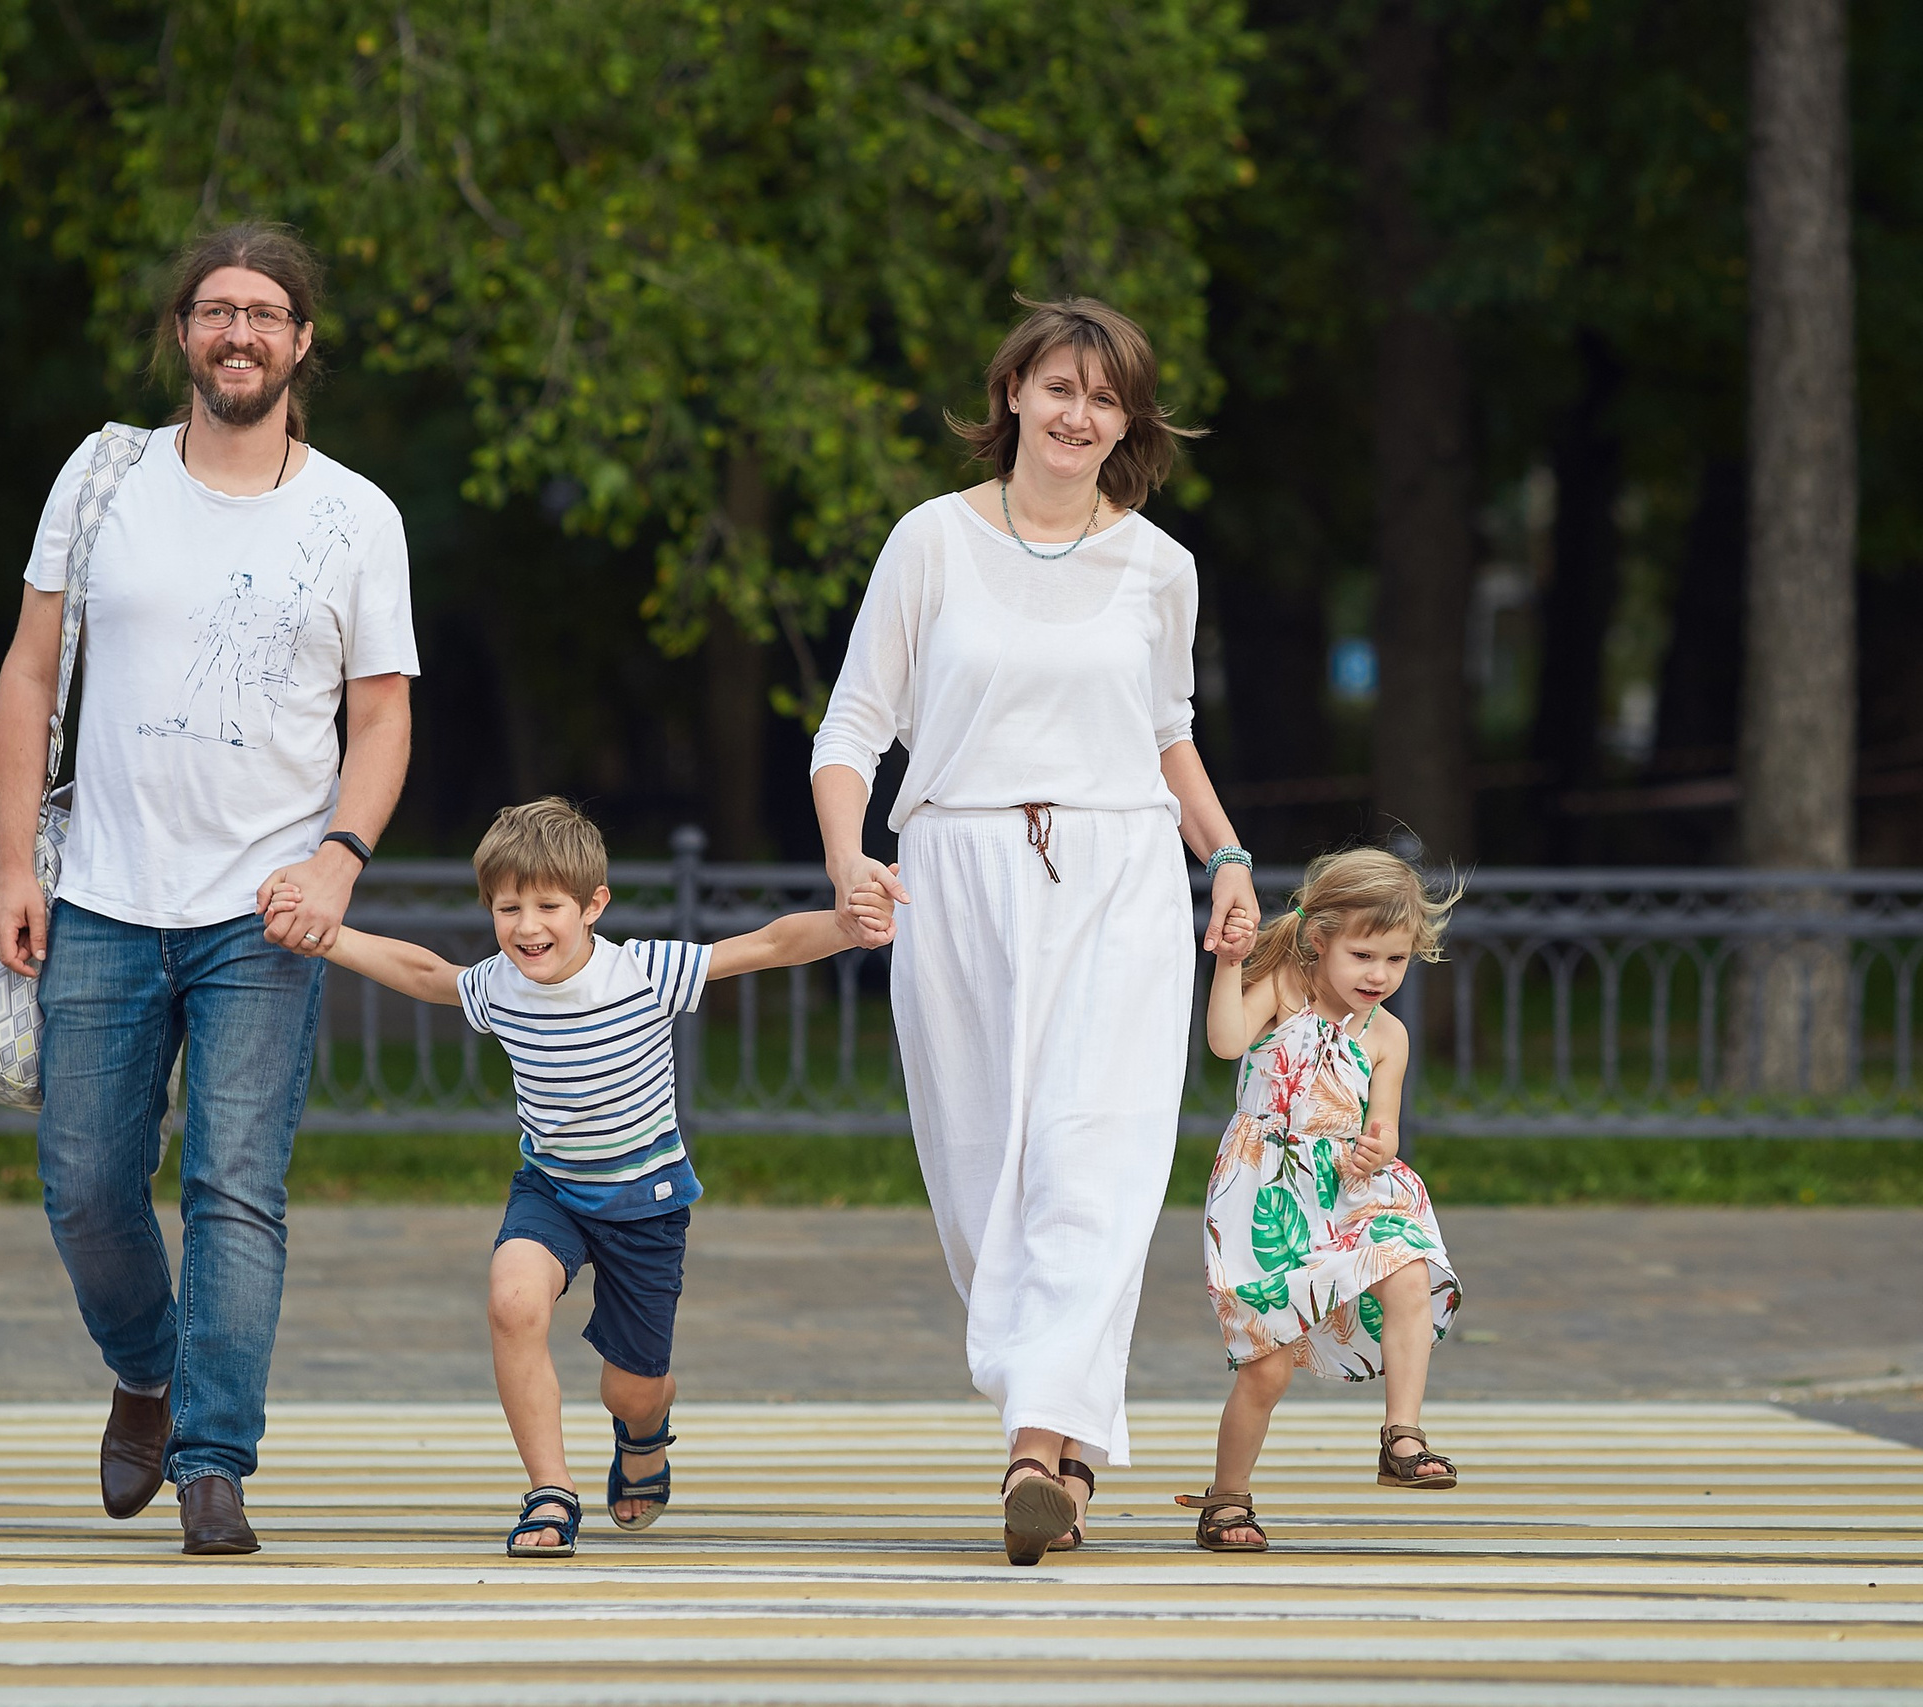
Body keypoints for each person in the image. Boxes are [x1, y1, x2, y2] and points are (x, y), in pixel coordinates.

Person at [0, 223, 418, 1556]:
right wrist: (13, 859)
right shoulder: (103, 476)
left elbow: (384, 717)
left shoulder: (357, 513)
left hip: (263, 912)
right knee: (84, 1181)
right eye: (215, 309)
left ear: (302, 343)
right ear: (183, 333)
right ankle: (150, 1370)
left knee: (237, 1184)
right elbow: (27, 669)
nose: (239, 331)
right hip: (105, 897)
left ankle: (215, 1461)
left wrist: (335, 858)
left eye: (266, 311)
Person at [809, 296, 1258, 1566]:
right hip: (955, 866)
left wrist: (1220, 855)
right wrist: (853, 859)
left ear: (1129, 421)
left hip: (1117, 871)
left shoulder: (1158, 566)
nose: (1079, 416)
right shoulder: (930, 544)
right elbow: (854, 729)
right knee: (978, 1169)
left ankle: (1035, 1439)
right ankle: (1058, 1445)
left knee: (1096, 1159)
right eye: (1060, 388)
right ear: (1011, 392)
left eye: (1106, 399)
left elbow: (1166, 735)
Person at [265, 798, 887, 1557]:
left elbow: (762, 943)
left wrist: (846, 925)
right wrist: (329, 935)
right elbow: (428, 972)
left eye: (548, 905)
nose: (528, 926)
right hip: (552, 1189)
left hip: (644, 1206)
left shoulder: (642, 971)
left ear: (593, 905)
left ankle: (647, 1426)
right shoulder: (500, 984)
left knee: (626, 1388)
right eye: (507, 906)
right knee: (511, 1300)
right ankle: (550, 1492)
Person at [1185, 849, 1465, 1552]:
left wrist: (1380, 1146)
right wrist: (1227, 962)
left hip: (1345, 1190)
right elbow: (1224, 1042)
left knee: (1406, 1261)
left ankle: (1401, 1435)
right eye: (1363, 954)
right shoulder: (1283, 987)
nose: (1379, 975)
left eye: (1396, 960)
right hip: (1265, 1190)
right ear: (1320, 939)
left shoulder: (1389, 1035)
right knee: (1267, 1368)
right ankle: (1227, 1499)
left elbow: (1385, 1126)